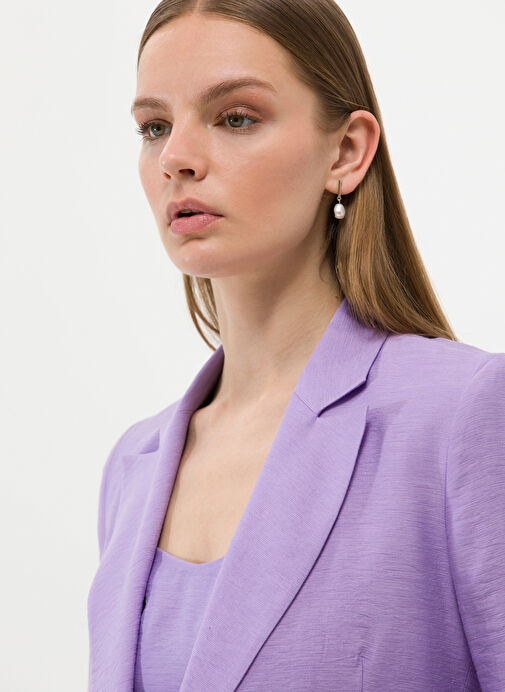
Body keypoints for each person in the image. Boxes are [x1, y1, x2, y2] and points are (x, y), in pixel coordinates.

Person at [87, 1, 505, 690]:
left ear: (346, 152)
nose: (176, 159)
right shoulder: (132, 468)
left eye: (235, 117)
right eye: (154, 127)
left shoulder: (462, 416)